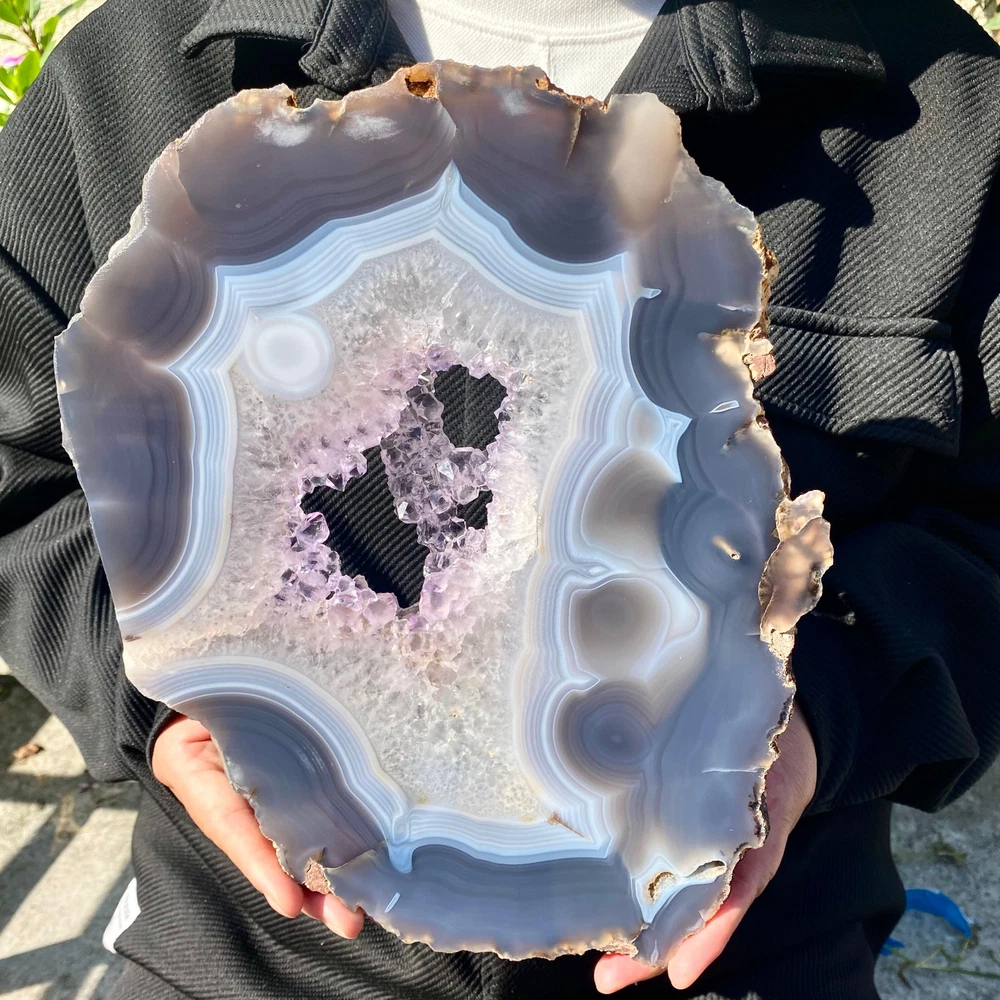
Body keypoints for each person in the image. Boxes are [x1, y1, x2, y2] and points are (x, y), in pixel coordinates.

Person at [1, 1, 998, 997]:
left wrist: (819, 709)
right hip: (253, 954)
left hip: (734, 953)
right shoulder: (131, 71)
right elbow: (18, 476)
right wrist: (158, 698)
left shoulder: (950, 111)